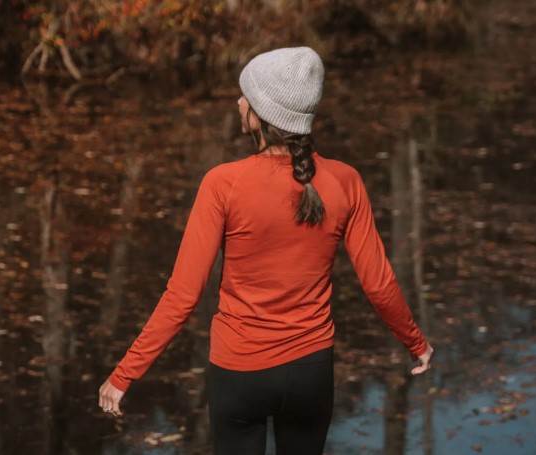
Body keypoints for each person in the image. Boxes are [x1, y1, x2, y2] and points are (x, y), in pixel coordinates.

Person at [98, 46, 434, 455]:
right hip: (312, 372)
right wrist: (416, 343)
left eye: (246, 96)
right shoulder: (346, 181)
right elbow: (378, 284)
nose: (238, 102)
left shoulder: (223, 184)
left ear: (260, 114)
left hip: (240, 372)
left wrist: (124, 374)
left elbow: (183, 296)